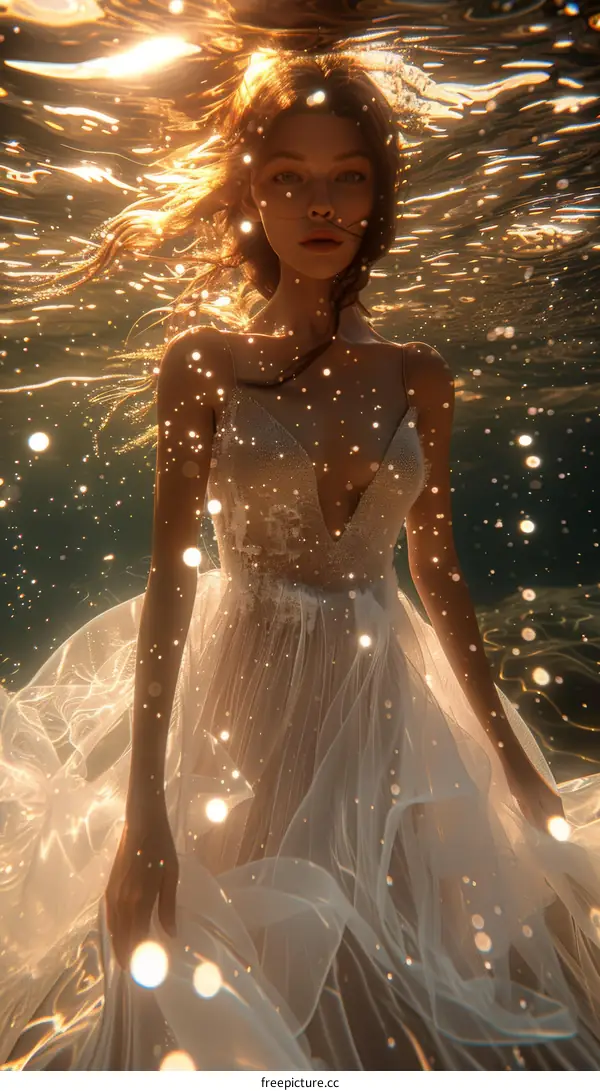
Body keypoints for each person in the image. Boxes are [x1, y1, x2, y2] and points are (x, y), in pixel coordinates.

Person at [2, 47, 600, 1072]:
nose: (318, 202)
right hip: (241, 707)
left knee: (399, 981)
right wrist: (144, 813)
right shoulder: (203, 361)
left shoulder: (421, 374)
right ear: (247, 191)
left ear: (379, 190)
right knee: (248, 973)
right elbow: (171, 580)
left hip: (386, 709)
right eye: (287, 175)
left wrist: (512, 768)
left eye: (346, 175)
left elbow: (441, 575)